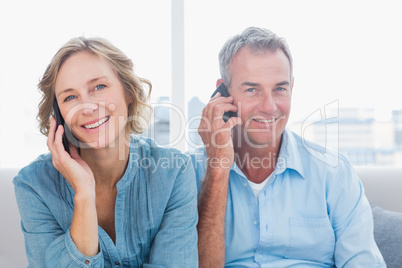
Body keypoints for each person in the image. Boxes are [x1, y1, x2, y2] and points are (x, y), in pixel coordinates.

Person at [190, 26, 385, 267]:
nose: (269, 106)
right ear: (222, 93)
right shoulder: (189, 173)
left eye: (279, 89)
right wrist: (217, 168)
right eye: (252, 89)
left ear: (292, 88)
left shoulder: (334, 173)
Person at [13, 37, 198, 267]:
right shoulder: (33, 184)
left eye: (99, 87)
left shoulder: (174, 173)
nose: (87, 107)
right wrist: (84, 193)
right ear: (58, 115)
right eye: (70, 97)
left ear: (128, 92)